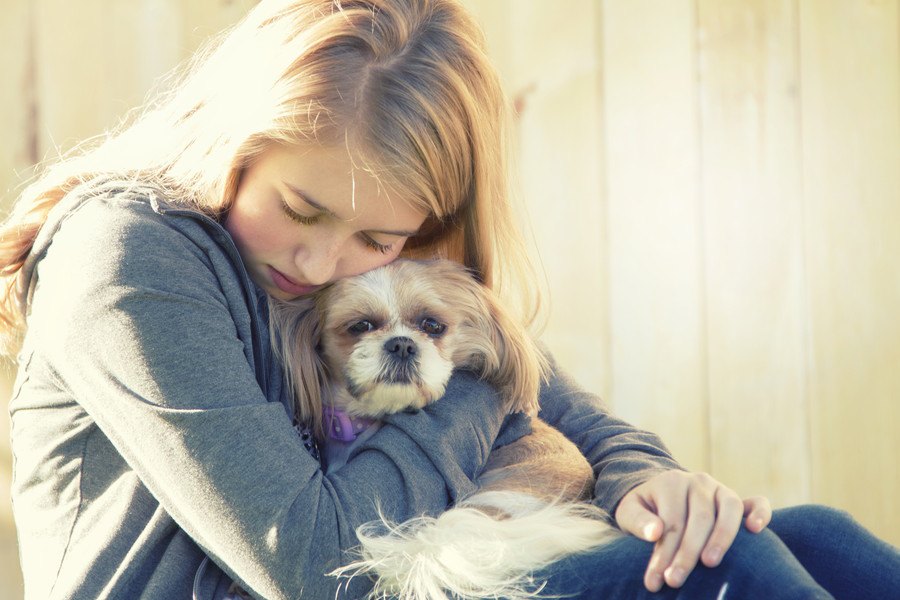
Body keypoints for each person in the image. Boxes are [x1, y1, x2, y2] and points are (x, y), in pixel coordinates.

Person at [0, 1, 897, 598]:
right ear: (231, 142)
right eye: (299, 210)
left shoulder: (360, 256)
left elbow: (542, 387)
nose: (321, 264)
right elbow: (318, 565)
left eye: (379, 242)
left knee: (813, 535)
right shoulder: (127, 256)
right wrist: (459, 356)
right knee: (722, 571)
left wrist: (647, 481)